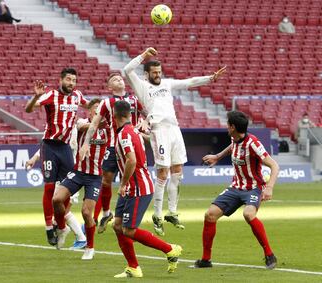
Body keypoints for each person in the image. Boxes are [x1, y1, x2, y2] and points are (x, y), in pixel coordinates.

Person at [123, 47, 226, 236]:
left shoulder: (167, 84)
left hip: (174, 128)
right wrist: (143, 56)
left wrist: (210, 79)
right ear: (146, 75)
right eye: (154, 73)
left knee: (177, 171)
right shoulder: (142, 86)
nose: (157, 75)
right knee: (162, 173)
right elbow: (126, 70)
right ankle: (157, 214)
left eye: (159, 72)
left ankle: (172, 212)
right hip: (159, 129)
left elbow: (189, 82)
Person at [194, 111, 279, 269]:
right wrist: (217, 156)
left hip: (253, 188)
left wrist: (269, 188)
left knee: (248, 214)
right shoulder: (235, 138)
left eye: (228, 125)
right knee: (210, 215)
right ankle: (206, 260)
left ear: (233, 127)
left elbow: (274, 165)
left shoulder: (253, 143)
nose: (226, 127)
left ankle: (269, 255)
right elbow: (232, 146)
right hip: (235, 187)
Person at [112, 100, 182, 278]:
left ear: (115, 115)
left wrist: (123, 184)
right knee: (118, 225)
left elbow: (131, 160)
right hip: (133, 186)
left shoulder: (125, 134)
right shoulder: (132, 130)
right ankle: (133, 267)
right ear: (128, 114)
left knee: (129, 230)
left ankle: (170, 249)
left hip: (138, 187)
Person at [25, 67, 89, 246]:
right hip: (50, 146)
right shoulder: (51, 95)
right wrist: (36, 96)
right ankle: (48, 228)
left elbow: (91, 105)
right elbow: (29, 109)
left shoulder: (77, 96)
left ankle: (61, 226)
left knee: (66, 190)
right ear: (60, 80)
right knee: (49, 188)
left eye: (74, 80)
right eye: (68, 79)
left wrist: (108, 107)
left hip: (66, 148)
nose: (71, 83)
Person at [79, 73, 146, 234]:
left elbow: (149, 112)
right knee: (105, 181)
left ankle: (131, 214)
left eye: (120, 78)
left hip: (133, 144)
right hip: (113, 146)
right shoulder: (106, 103)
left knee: (135, 180)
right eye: (115, 79)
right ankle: (107, 212)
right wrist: (86, 143)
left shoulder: (135, 100)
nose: (119, 80)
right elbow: (94, 124)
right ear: (109, 87)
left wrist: (145, 120)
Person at [52, 98, 108, 259]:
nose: (98, 112)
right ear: (89, 111)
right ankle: (63, 228)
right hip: (78, 172)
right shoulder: (82, 123)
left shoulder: (108, 129)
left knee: (86, 212)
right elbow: (81, 126)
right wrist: (96, 124)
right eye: (95, 109)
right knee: (56, 199)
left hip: (95, 177)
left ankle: (89, 247)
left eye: (101, 109)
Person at [25, 149, 87, 249]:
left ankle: (81, 238)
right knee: (62, 211)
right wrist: (34, 158)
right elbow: (49, 146)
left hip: (72, 177)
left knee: (64, 211)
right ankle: (77, 236)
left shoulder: (73, 136)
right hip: (61, 178)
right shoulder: (57, 139)